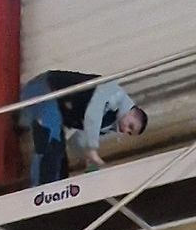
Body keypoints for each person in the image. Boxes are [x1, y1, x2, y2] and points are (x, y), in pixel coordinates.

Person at [18, 69, 147, 186]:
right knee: (51, 139)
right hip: (43, 88)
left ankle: (55, 191)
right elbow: (92, 113)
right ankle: (39, 190)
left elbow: (78, 138)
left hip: (55, 103)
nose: (126, 130)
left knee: (59, 152)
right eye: (130, 126)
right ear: (131, 110)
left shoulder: (107, 124)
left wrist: (89, 163)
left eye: (129, 133)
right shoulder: (113, 92)